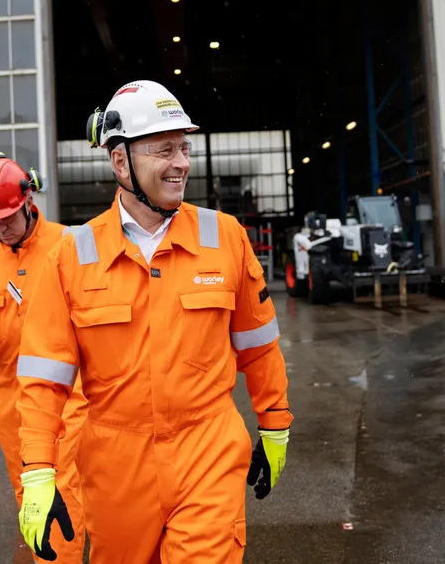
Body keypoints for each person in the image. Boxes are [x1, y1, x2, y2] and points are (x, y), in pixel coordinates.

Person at [15, 80, 292, 563]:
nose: (182, 163)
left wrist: (275, 424)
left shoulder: (224, 237)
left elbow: (259, 345)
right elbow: (43, 378)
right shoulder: (71, 257)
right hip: (115, 467)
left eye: (184, 148)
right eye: (165, 149)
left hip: (206, 450)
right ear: (120, 161)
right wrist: (38, 471)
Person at [0, 152, 89, 563]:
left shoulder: (68, 244)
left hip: (72, 389)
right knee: (30, 488)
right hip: (12, 395)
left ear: (29, 202)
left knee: (62, 483)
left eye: (7, 218)